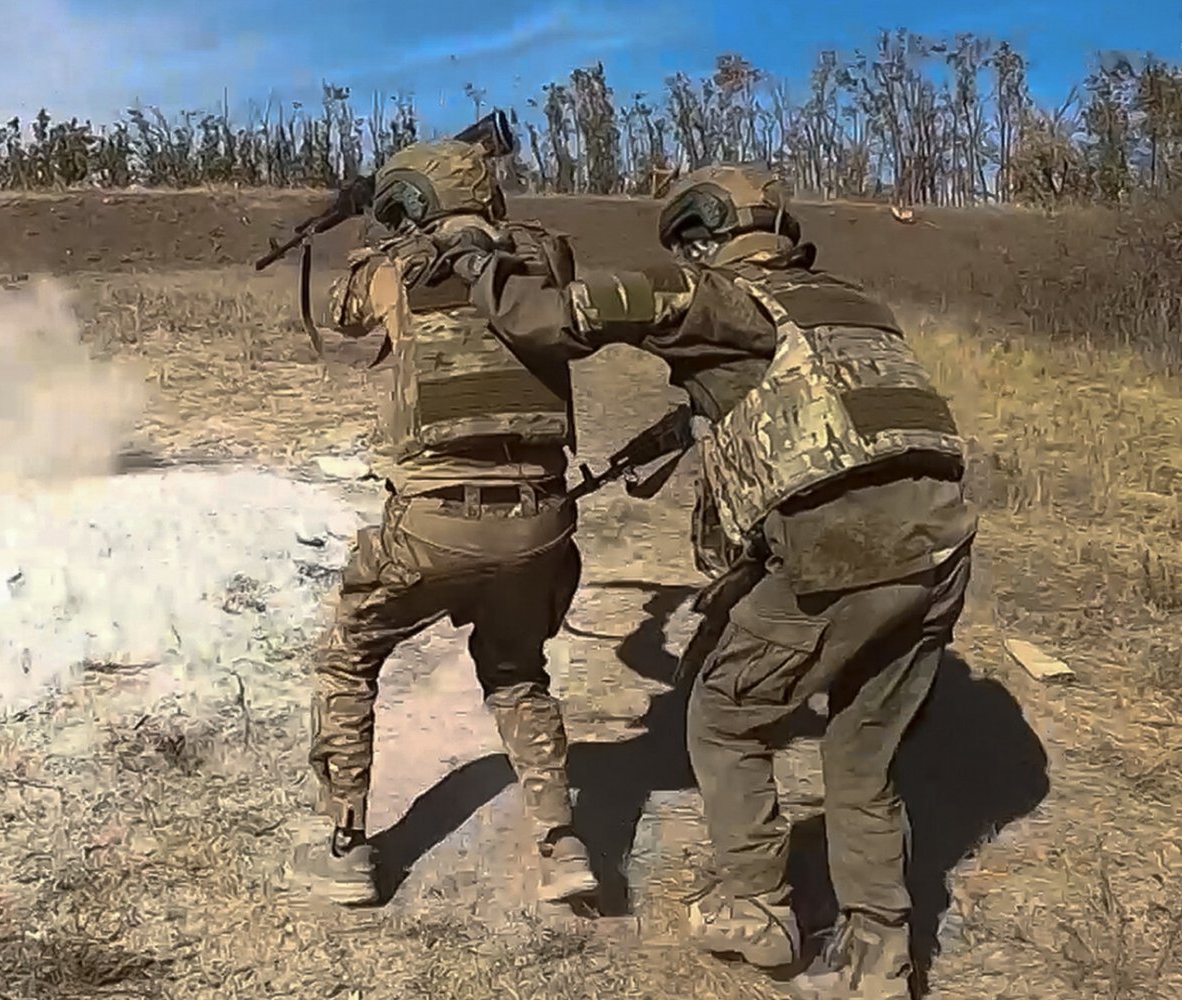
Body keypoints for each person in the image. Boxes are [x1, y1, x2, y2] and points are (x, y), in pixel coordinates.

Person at [445, 164, 978, 999]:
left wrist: (473, 252)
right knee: (862, 757)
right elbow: (804, 398)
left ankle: (754, 905)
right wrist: (677, 428)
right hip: (943, 550)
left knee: (725, 715)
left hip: (844, 552)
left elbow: (539, 318)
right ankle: (880, 955)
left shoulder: (700, 294)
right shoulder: (849, 302)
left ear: (698, 235)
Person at [295, 138, 599, 908]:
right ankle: (562, 843)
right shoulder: (541, 262)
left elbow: (342, 311)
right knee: (517, 672)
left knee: (348, 657)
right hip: (542, 521)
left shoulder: (396, 269)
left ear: (410, 202)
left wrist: (381, 225)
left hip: (434, 523)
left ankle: (345, 845)